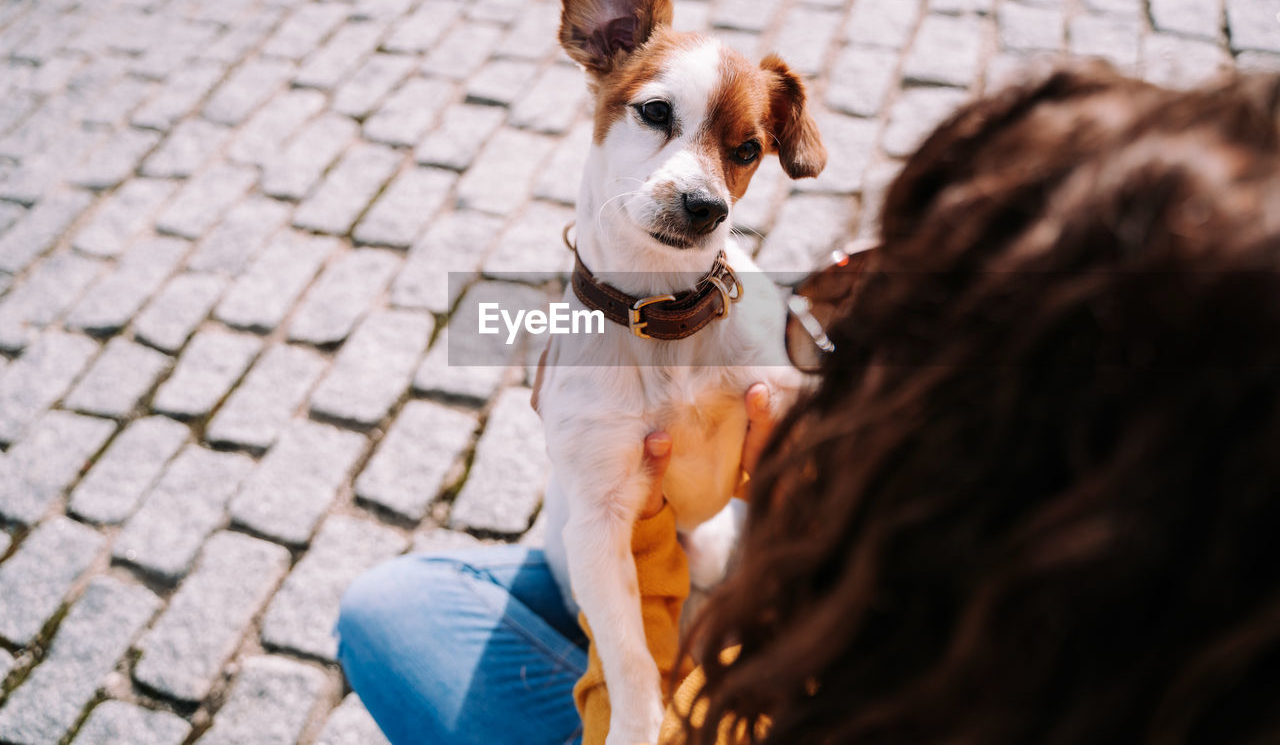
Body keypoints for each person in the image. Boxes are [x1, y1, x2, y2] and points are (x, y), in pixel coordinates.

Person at [338, 64, 1280, 744]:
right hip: (712, 543)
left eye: (901, 308)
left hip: (692, 643)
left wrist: (735, 507)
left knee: (393, 606)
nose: (843, 294)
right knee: (562, 531)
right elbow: (518, 324)